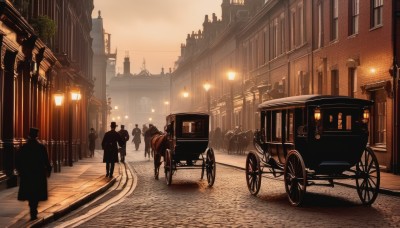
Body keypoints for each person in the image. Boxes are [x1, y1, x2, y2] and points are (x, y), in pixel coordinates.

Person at [16, 127, 52, 221]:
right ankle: (33, 209)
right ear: (37, 136)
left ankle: (32, 208)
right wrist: (48, 170)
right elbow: (46, 160)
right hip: (38, 173)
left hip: (28, 174)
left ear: (29, 135)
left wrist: (20, 171)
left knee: (30, 192)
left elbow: (18, 161)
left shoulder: (24, 147)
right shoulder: (41, 147)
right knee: (36, 192)